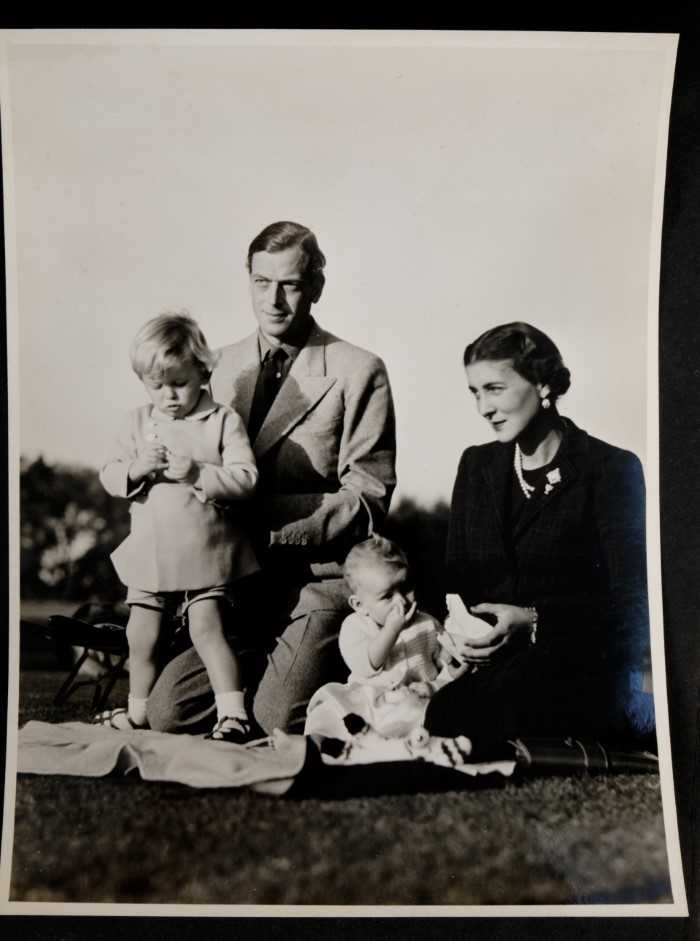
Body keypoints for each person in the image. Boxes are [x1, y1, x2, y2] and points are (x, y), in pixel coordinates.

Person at [146, 221, 397, 736]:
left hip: (318, 584)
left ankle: (339, 673)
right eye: (262, 283)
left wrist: (261, 520)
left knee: (276, 718)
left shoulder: (359, 370)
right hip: (236, 585)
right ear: (248, 281)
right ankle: (278, 674)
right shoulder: (214, 366)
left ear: (317, 287)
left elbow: (369, 499)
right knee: (167, 713)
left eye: (291, 284)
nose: (274, 300)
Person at [424, 322, 654, 746]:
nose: (483, 408)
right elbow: (457, 582)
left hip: (578, 663)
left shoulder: (610, 469)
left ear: (543, 383)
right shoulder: (476, 466)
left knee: (480, 712)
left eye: (494, 388)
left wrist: (533, 620)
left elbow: (634, 607)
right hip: (492, 669)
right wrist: (459, 639)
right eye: (475, 392)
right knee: (444, 710)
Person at [94, 313, 260, 742]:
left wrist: (199, 472)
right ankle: (137, 713)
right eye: (156, 385)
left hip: (205, 549)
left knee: (208, 628)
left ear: (203, 371)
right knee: (140, 635)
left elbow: (246, 478)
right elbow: (109, 475)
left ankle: (232, 713)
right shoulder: (135, 422)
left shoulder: (222, 420)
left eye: (179, 383)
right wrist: (135, 469)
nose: (168, 396)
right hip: (151, 551)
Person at [305, 535, 460, 742]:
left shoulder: (428, 624)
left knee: (437, 716)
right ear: (360, 605)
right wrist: (391, 629)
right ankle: (313, 750)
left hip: (414, 703)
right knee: (329, 710)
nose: (401, 601)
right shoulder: (355, 627)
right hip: (368, 702)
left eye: (405, 588)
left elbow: (446, 669)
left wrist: (435, 685)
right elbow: (367, 665)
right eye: (387, 596)